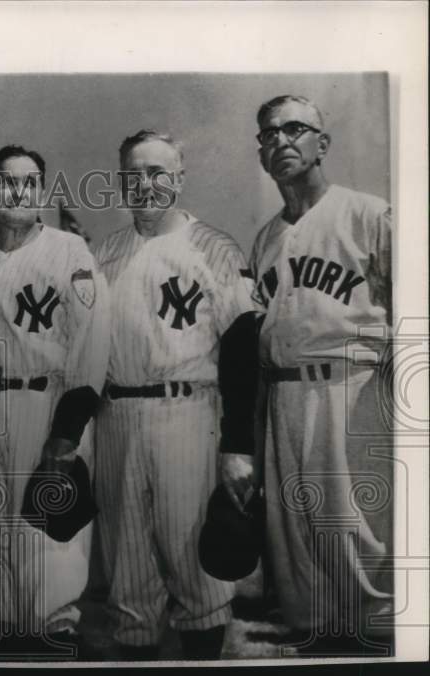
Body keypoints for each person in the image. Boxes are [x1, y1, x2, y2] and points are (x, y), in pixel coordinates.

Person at [91, 130, 257, 660]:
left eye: (157, 173)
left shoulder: (215, 246)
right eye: (133, 174)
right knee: (127, 574)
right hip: (117, 415)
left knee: (197, 573)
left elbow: (241, 349)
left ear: (179, 179)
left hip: (187, 413)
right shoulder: (103, 253)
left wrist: (238, 445)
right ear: (120, 182)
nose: (145, 184)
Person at [248, 95, 393, 654]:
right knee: (295, 539)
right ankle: (321, 641)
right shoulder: (265, 238)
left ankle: (381, 644)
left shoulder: (367, 213)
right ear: (261, 154)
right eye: (268, 135)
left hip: (349, 386)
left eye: (294, 130)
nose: (280, 141)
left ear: (321, 144)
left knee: (356, 529)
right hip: (284, 392)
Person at [0, 144, 110, 649]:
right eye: (5, 181)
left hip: (47, 406)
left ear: (41, 193)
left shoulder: (69, 252)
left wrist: (65, 438)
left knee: (45, 552)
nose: (17, 191)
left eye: (28, 183)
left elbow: (91, 346)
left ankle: (53, 642)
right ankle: (0, 638)